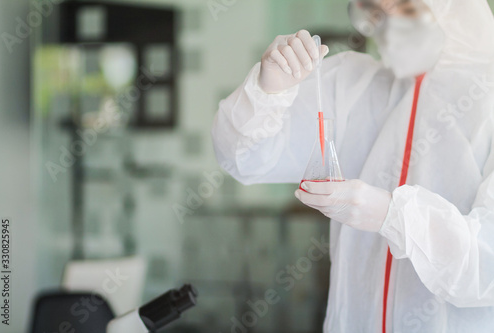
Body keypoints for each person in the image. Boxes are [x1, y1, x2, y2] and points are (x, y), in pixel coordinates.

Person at [211, 0, 494, 331]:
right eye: (375, 11)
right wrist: (268, 90)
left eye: (405, 6)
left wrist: (393, 215)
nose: (389, 23)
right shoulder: (351, 83)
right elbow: (243, 158)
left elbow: (486, 267)